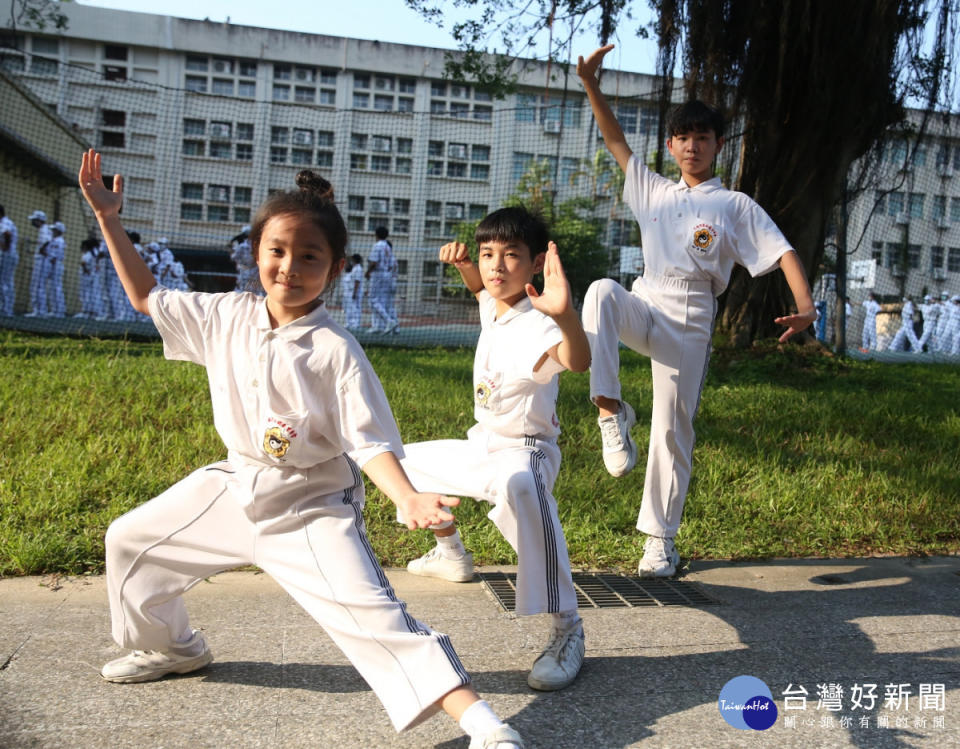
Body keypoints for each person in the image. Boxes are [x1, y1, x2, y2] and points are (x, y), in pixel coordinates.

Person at [77, 149, 523, 749]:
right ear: (256, 253)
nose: (290, 267)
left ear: (334, 267)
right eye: (278, 251)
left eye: (309, 256)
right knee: (129, 540)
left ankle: (486, 727)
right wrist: (108, 218)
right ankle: (174, 648)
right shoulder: (224, 315)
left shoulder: (336, 349)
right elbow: (146, 297)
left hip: (312, 506)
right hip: (236, 485)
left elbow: (368, 441)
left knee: (376, 618)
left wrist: (409, 496)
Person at [576, 45, 817, 577]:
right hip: (647, 298)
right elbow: (615, 139)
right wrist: (591, 84)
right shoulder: (651, 190)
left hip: (691, 313)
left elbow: (784, 253)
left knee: (672, 427)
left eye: (702, 138)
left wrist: (806, 308)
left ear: (718, 146)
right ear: (671, 143)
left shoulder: (733, 206)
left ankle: (659, 539)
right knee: (598, 292)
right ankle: (610, 411)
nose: (691, 146)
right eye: (682, 137)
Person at [399, 207, 592, 693]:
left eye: (510, 256)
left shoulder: (542, 322)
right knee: (395, 462)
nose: (496, 267)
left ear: (533, 266)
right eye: (489, 255)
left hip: (526, 452)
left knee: (521, 487)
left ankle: (568, 627)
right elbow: (482, 292)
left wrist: (566, 314)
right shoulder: (495, 302)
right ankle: (450, 554)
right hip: (481, 443)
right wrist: (464, 264)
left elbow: (578, 360)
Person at [366, 226, 398, 333]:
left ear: (376, 234)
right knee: (382, 301)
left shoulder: (377, 246)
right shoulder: (387, 247)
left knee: (373, 299)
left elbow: (374, 262)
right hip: (386, 275)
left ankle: (389, 321)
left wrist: (368, 272)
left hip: (377, 274)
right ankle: (379, 325)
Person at [25, 209, 51, 317]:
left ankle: (38, 310)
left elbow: (47, 240)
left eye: (34, 220)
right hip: (42, 260)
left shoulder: (44, 229)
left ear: (39, 220)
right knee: (39, 285)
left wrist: (41, 250)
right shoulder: (44, 229)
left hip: (41, 260)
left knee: (37, 285)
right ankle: (41, 310)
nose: (33, 222)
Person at [0, 204, 18, 316]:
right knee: (7, 282)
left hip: (7, 255)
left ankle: (5, 309)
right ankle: (7, 308)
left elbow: (7, 234)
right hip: (9, 255)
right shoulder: (6, 222)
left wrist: (5, 247)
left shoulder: (4, 222)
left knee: (4, 282)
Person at [46, 221, 67, 317]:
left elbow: (57, 255)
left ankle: (60, 310)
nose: (52, 231)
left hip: (57, 265)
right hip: (52, 265)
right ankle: (54, 310)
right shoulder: (54, 240)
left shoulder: (60, 241)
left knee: (57, 287)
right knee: (52, 287)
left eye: (54, 230)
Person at [343, 252, 364, 330]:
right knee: (351, 308)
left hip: (356, 291)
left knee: (356, 308)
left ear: (354, 259)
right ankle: (351, 323)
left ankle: (356, 324)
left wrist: (354, 293)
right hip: (351, 291)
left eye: (352, 259)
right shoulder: (354, 268)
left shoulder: (358, 269)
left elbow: (357, 282)